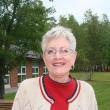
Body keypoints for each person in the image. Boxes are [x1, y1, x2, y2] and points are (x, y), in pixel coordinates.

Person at [12, 26, 98, 110]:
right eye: (50, 51)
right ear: (44, 58)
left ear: (73, 57)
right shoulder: (26, 88)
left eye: (64, 50)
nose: (57, 56)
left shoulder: (87, 91)